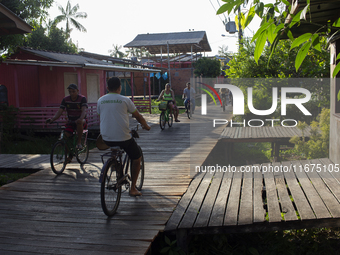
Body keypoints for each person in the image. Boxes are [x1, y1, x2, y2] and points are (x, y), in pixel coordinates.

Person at [97, 77, 151, 196]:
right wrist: (146, 126)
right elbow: (138, 116)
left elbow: (102, 114)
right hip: (123, 138)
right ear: (119, 88)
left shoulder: (100, 100)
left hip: (105, 138)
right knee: (137, 157)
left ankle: (115, 165)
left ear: (107, 88)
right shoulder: (125, 100)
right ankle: (132, 189)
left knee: (114, 144)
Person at [46, 84, 88, 161]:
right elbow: (60, 111)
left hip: (81, 120)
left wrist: (80, 118)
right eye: (70, 92)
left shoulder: (82, 99)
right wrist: (52, 119)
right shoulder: (65, 99)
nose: (72, 93)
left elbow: (84, 110)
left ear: (77, 91)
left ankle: (79, 142)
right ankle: (69, 154)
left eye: (73, 91)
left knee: (79, 122)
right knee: (64, 137)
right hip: (71, 121)